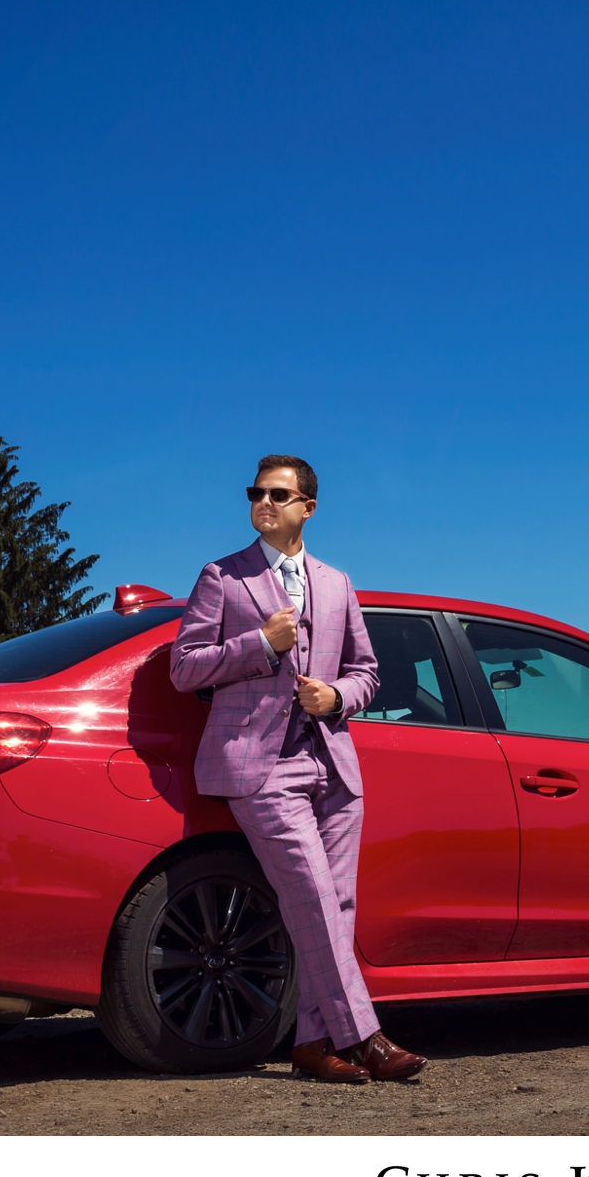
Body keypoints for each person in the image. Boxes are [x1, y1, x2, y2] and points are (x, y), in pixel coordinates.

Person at [169, 454, 428, 1085]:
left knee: (336, 905)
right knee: (310, 894)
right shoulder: (222, 578)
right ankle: (365, 1036)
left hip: (331, 762)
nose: (264, 502)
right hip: (261, 766)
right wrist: (259, 645)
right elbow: (184, 666)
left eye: (279, 495)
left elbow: (367, 671)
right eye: (257, 493)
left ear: (308, 507)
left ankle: (314, 1043)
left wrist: (337, 697)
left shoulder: (337, 583)